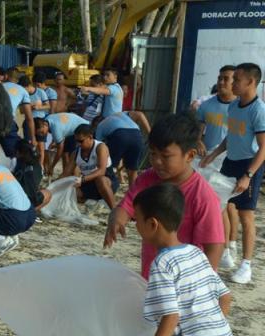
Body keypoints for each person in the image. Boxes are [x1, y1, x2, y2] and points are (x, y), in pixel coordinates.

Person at [125, 183, 238, 336]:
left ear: (152, 224)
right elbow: (225, 297)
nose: (135, 226)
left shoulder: (162, 264)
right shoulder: (195, 253)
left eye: (137, 220)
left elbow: (171, 316)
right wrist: (209, 330)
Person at [104, 113, 225, 279]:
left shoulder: (203, 196)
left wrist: (207, 283)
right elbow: (127, 206)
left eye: (166, 156)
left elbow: (214, 245)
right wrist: (116, 218)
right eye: (153, 154)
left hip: (186, 280)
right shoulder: (147, 179)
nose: (157, 161)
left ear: (189, 155)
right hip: (152, 275)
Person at [201, 62, 265, 284]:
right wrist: (214, 153)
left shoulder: (259, 110)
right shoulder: (234, 106)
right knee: (222, 206)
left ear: (251, 82)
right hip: (230, 161)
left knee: (246, 215)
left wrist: (248, 175)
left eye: (236, 79)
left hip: (249, 164)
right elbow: (232, 136)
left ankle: (246, 265)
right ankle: (227, 251)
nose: (232, 83)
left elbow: (264, 148)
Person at [196, 66, 239, 271]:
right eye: (220, 78)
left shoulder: (241, 108)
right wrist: (197, 140)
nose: (222, 82)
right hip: (210, 161)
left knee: (229, 207)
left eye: (227, 79)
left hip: (232, 161)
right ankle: (223, 248)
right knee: (218, 205)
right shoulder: (207, 105)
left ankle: (230, 246)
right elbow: (197, 127)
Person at [62, 124, 118, 209]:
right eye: (76, 141)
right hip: (89, 183)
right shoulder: (75, 153)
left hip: (107, 181)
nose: (78, 144)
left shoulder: (100, 147)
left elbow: (101, 171)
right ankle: (92, 201)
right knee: (69, 192)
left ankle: (114, 210)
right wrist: (52, 187)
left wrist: (82, 179)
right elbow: (65, 174)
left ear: (90, 137)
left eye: (81, 141)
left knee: (100, 180)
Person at [95, 111, 144, 185]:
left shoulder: (100, 126)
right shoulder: (120, 114)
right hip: (137, 136)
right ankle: (133, 194)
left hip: (120, 135)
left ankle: (109, 189)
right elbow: (139, 114)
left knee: (108, 166)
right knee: (132, 170)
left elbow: (97, 146)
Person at [0, 68, 37, 160]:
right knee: (16, 152)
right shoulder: (22, 91)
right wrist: (32, 137)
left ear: (6, 76)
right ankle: (19, 171)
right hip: (7, 123)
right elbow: (29, 117)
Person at [13, 140, 52, 211]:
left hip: (14, 198)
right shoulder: (37, 165)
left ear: (18, 152)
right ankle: (31, 212)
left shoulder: (18, 163)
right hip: (27, 200)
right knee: (48, 193)